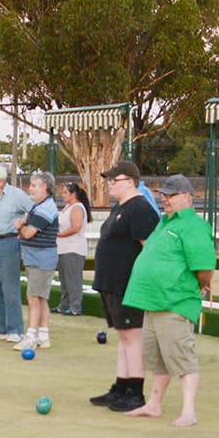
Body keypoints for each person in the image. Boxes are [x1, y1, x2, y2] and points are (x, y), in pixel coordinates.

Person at [121, 175, 216, 427]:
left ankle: (188, 411)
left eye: (171, 195)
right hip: (153, 302)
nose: (165, 199)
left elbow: (205, 267)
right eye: (164, 195)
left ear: (186, 196)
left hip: (175, 301)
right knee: (157, 359)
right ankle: (154, 404)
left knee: (182, 357)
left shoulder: (194, 226)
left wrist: (200, 285)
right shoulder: (164, 222)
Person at [89, 161, 160, 412]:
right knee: (123, 336)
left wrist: (145, 283)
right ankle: (120, 387)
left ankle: (135, 392)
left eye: (113, 180)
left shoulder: (140, 208)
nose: (109, 185)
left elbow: (150, 248)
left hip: (128, 284)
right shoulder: (120, 207)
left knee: (133, 336)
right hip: (111, 283)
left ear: (130, 181)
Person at [0, 164, 33, 342]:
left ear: (0, 181)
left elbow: (34, 211)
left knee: (10, 287)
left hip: (9, 242)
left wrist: (23, 226)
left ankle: (15, 330)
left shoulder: (17, 195)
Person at [12, 171, 60, 350]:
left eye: (34, 185)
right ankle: (43, 335)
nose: (29, 189)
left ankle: (31, 336)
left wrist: (20, 226)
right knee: (40, 298)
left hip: (41, 258)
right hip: (37, 257)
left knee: (33, 297)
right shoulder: (38, 207)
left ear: (44, 188)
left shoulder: (44, 209)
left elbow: (29, 233)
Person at [54, 181, 90, 315]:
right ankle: (64, 305)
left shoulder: (77, 208)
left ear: (73, 194)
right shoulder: (67, 207)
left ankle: (75, 306)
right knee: (64, 279)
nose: (62, 195)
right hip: (63, 248)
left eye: (65, 192)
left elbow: (76, 227)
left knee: (73, 279)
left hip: (73, 248)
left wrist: (58, 234)